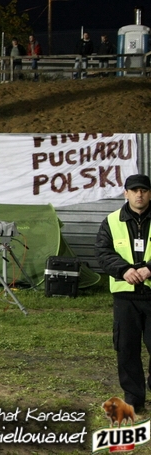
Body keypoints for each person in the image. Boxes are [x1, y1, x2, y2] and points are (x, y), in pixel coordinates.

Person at [95, 174, 151, 412]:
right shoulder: (111, 221)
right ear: (125, 193)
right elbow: (103, 252)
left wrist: (150, 269)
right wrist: (124, 270)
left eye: (144, 190)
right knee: (127, 349)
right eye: (134, 190)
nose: (139, 194)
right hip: (125, 297)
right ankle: (134, 399)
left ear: (150, 194)